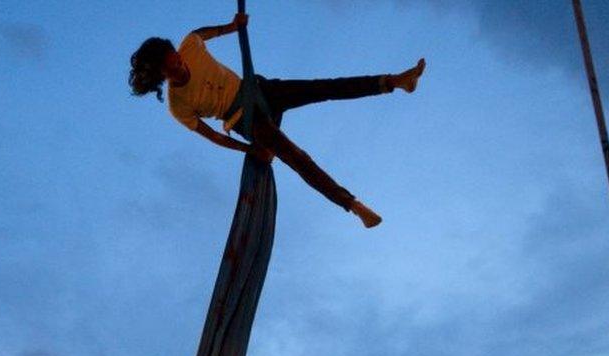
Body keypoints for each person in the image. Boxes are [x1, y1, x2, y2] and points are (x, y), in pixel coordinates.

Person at [129, 12, 425, 229]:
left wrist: (234, 26)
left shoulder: (189, 46)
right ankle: (353, 205)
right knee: (294, 156)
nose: (180, 66)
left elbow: (205, 33)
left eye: (177, 59)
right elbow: (215, 137)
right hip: (245, 120)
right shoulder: (177, 105)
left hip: (259, 89)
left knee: (323, 88)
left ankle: (394, 82)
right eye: (172, 68)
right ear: (161, 75)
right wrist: (250, 151)